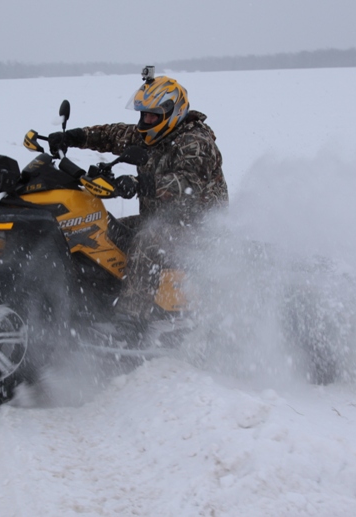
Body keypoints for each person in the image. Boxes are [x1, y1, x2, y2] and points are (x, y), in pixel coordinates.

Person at [48, 68, 228, 343]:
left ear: (172, 112)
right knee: (105, 229)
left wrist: (140, 182)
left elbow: (187, 184)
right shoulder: (154, 134)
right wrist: (74, 137)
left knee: (147, 241)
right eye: (143, 114)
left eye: (153, 115)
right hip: (162, 219)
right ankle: (100, 300)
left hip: (198, 229)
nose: (145, 121)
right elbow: (114, 134)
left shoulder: (196, 142)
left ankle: (132, 323)